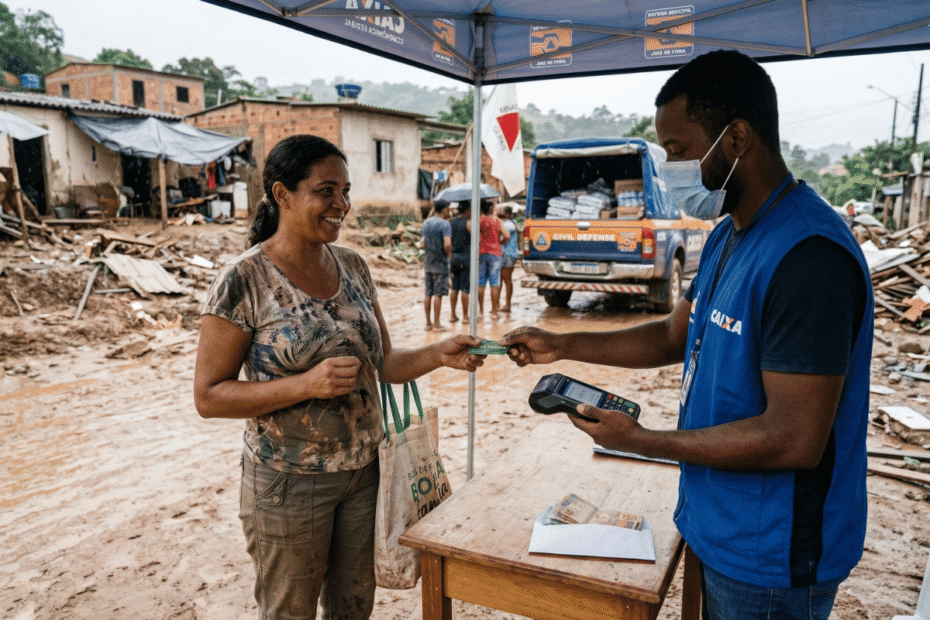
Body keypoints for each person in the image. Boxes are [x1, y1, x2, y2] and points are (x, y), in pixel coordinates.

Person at [501, 50, 872, 620]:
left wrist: (642, 441)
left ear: (736, 138)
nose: (670, 167)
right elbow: (673, 335)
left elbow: (794, 438)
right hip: (715, 520)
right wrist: (563, 343)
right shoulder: (727, 235)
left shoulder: (808, 259)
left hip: (772, 556)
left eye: (676, 150)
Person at [193, 135, 485, 620]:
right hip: (287, 484)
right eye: (325, 191)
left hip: (366, 476)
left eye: (345, 191)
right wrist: (305, 385)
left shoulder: (352, 265)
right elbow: (208, 397)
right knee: (289, 612)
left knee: (353, 608)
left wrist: (439, 354)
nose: (341, 205)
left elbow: (383, 364)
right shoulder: (242, 280)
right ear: (282, 194)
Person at [421, 200, 452, 331]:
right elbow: (447, 244)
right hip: (440, 263)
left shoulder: (426, 223)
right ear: (444, 211)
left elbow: (422, 244)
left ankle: (428, 323)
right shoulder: (445, 224)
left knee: (428, 293)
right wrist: (448, 257)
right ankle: (437, 324)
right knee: (438, 294)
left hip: (428, 263)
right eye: (448, 210)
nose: (449, 213)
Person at [477, 198, 510, 315]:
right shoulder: (497, 221)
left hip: (481, 252)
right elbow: (507, 235)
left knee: (481, 282)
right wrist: (500, 242)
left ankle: (481, 311)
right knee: (494, 283)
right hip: (495, 253)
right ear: (491, 209)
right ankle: (494, 312)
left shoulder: (479, 221)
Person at [449, 200, 472, 323]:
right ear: (467, 210)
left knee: (454, 287)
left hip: (453, 258)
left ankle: (452, 315)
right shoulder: (469, 223)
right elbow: (477, 240)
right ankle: (465, 317)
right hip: (465, 258)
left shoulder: (451, 223)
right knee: (465, 289)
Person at [497, 204, 520, 313]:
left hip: (507, 254)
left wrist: (498, 242)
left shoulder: (509, 225)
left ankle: (507, 305)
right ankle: (498, 304)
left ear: (506, 214)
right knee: (500, 280)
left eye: (501, 211)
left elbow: (505, 237)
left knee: (506, 280)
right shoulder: (510, 223)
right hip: (505, 254)